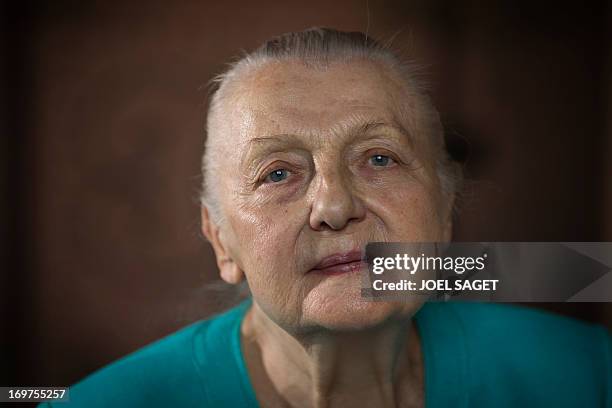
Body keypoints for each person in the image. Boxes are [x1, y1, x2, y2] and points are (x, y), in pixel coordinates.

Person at [41, 27, 611, 408]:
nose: (335, 207)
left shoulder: (588, 374)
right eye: (278, 173)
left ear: (444, 211)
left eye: (380, 158)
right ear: (221, 241)